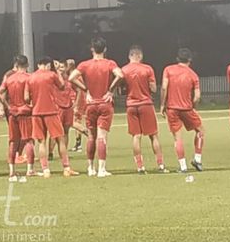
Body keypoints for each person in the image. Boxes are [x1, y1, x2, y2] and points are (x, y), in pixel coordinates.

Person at [69, 37, 123, 178]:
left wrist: (86, 90)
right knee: (102, 137)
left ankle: (90, 168)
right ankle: (102, 169)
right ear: (105, 49)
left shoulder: (85, 65)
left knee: (91, 137)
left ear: (92, 49)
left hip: (91, 104)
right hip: (105, 104)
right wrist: (110, 90)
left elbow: (71, 77)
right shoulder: (110, 63)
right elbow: (120, 75)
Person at [26, 57, 80, 178]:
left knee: (41, 142)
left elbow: (26, 98)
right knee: (60, 139)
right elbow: (61, 86)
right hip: (51, 111)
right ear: (48, 65)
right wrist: (58, 72)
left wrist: (33, 102)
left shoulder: (30, 77)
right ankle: (66, 168)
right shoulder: (51, 75)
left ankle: (45, 170)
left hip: (36, 112)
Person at [122, 45, 168, 174]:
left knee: (136, 136)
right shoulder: (147, 69)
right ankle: (160, 165)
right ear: (139, 56)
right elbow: (153, 88)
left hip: (131, 105)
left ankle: (140, 166)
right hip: (145, 104)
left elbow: (121, 88)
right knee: (153, 135)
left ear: (130, 56)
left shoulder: (124, 70)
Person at [160, 48, 205, 173]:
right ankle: (197, 159)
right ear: (190, 60)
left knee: (177, 138)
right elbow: (197, 96)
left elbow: (164, 88)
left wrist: (162, 105)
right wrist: (194, 107)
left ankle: (183, 166)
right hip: (187, 108)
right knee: (200, 131)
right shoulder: (193, 75)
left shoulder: (168, 70)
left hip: (172, 108)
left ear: (177, 59)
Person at [0, 55, 37, 182]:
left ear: (15, 64)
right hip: (25, 112)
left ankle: (11, 172)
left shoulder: (9, 78)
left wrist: (7, 106)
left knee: (13, 142)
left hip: (13, 112)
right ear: (27, 65)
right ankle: (30, 169)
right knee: (29, 141)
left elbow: (0, 92)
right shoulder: (29, 78)